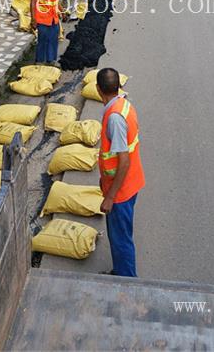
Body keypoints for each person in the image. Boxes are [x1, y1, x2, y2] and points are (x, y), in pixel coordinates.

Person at [96, 68, 145, 277]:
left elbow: (122, 161)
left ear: (98, 89)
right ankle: (120, 272)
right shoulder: (123, 104)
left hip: (121, 191)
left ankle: (127, 285)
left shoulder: (114, 118)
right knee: (120, 235)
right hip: (130, 182)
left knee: (121, 239)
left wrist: (110, 197)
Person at [30, 0, 62, 64]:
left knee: (53, 39)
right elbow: (33, 2)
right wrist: (33, 19)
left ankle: (51, 59)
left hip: (53, 17)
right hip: (42, 18)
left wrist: (62, 11)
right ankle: (39, 60)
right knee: (43, 40)